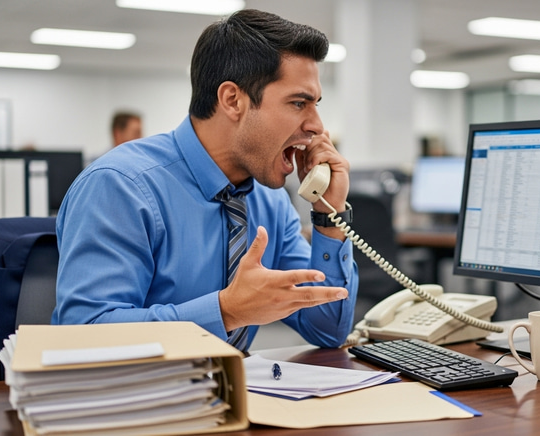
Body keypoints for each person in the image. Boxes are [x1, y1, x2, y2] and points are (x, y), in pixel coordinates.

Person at [52, 9, 358, 350]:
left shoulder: (270, 203)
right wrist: (226, 311)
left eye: (315, 104)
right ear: (232, 100)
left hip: (233, 397)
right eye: (299, 103)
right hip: (135, 399)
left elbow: (328, 330)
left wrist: (329, 215)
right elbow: (83, 335)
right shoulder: (121, 186)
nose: (317, 125)